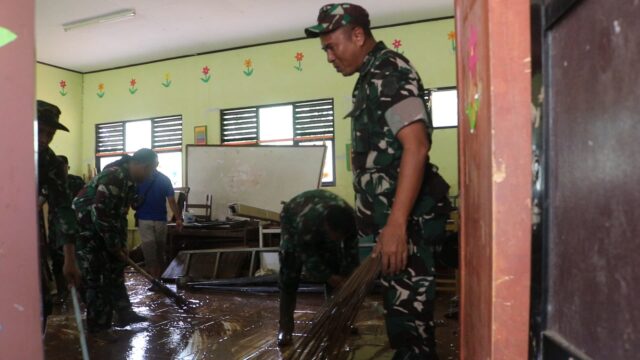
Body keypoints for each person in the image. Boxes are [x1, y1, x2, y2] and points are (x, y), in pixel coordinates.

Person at [305, 4, 451, 359]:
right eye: (324, 48)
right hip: (395, 226)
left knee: (410, 328)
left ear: (358, 35)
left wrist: (398, 225)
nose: (328, 56)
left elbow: (415, 147)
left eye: (331, 46)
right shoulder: (369, 78)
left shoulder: (390, 72)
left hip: (409, 227)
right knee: (401, 322)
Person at [73, 148, 157, 338]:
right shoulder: (114, 176)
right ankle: (98, 327)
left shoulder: (129, 180)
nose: (151, 175)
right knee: (97, 278)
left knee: (116, 271)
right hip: (87, 230)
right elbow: (100, 212)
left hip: (105, 228)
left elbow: (118, 214)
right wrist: (112, 244)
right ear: (142, 166)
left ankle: (124, 313)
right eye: (151, 170)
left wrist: (120, 243)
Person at [277, 189, 359, 347]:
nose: (337, 239)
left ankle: (339, 321)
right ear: (326, 226)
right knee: (289, 274)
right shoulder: (305, 222)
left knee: (335, 265)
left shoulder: (351, 220)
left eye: (339, 237)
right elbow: (308, 257)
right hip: (292, 218)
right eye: (334, 236)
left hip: (322, 221)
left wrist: (348, 276)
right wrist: (328, 276)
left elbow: (351, 252)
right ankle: (285, 329)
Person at [36, 100, 82, 331]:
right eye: (39, 131)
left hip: (28, 234)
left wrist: (70, 259)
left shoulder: (48, 161)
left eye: (50, 134)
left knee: (40, 302)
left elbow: (64, 208)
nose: (44, 139)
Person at [134, 150, 183, 280]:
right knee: (160, 251)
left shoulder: (139, 179)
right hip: (161, 220)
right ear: (157, 163)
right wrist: (178, 218)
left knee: (149, 252)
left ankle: (154, 281)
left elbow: (131, 199)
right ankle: (160, 279)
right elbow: (172, 201)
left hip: (144, 219)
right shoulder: (165, 179)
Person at [48, 155, 85, 298]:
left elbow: (84, 199)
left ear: (67, 167)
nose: (61, 171)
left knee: (77, 259)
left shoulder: (76, 181)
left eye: (64, 168)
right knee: (57, 260)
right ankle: (61, 292)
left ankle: (79, 291)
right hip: (55, 227)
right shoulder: (50, 183)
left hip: (75, 226)